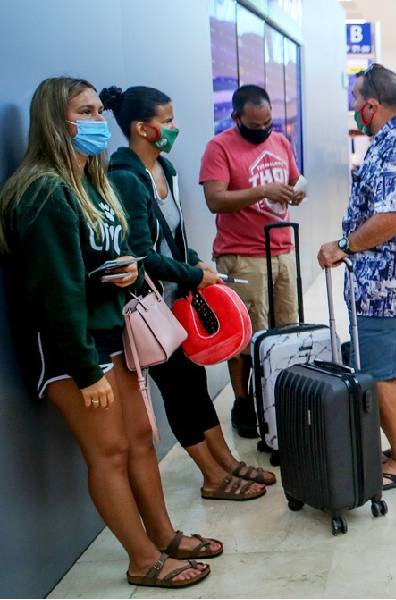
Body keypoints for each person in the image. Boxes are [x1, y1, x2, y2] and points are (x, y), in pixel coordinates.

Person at [0, 77, 215, 589]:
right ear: (56, 121)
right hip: (74, 349)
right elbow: (55, 291)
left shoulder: (93, 184)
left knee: (140, 440)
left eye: (100, 110)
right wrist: (82, 369)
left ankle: (163, 536)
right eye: (86, 112)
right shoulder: (45, 191)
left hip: (112, 332)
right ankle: (142, 559)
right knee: (110, 452)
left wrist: (124, 273)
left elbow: (99, 262)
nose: (99, 120)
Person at [104, 85, 272, 501]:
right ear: (142, 128)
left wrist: (195, 263)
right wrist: (194, 276)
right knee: (178, 389)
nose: (174, 128)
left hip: (176, 300)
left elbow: (172, 239)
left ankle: (225, 460)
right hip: (149, 307)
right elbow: (141, 256)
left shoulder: (165, 168)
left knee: (194, 381)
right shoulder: (125, 178)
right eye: (167, 121)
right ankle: (212, 476)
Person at [317, 64, 396, 490]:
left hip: (391, 285)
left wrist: (345, 245)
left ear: (371, 106)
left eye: (356, 101)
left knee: (379, 372)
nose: (354, 109)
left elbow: (395, 214)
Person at [199, 85, 306, 439]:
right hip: (242, 255)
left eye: (268, 122)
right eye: (255, 124)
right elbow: (215, 200)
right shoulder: (219, 147)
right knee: (245, 336)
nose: (263, 130)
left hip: (282, 250)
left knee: (286, 329)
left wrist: (296, 192)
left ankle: (281, 397)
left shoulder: (281, 143)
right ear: (236, 118)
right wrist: (262, 191)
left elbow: (294, 180)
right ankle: (243, 403)